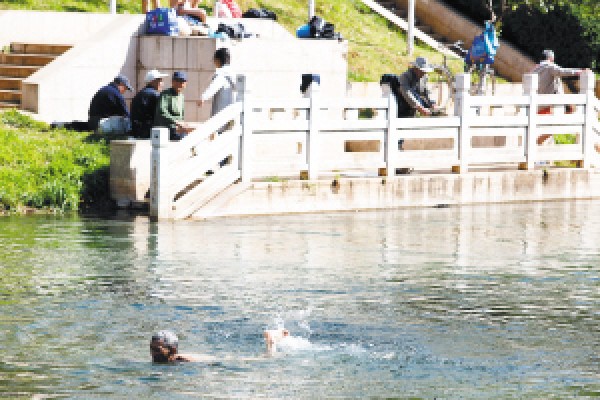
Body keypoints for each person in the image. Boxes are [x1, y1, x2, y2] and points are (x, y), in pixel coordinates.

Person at [532, 49, 587, 145]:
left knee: (552, 125)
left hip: (540, 102)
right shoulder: (549, 67)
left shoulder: (535, 69)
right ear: (550, 58)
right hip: (551, 102)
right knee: (554, 126)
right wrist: (579, 72)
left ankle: (539, 142)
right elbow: (563, 71)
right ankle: (538, 142)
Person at [154, 71, 195, 140]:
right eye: (178, 81)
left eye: (182, 82)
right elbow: (161, 111)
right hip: (167, 128)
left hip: (178, 128)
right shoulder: (166, 94)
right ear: (173, 82)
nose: (180, 84)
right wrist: (176, 122)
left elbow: (181, 115)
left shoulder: (181, 96)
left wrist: (182, 124)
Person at [198, 48, 236, 118]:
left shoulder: (221, 73)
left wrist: (203, 97)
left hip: (220, 111)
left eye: (214, 60)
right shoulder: (232, 73)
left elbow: (214, 86)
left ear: (218, 60)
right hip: (230, 110)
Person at [130, 69, 168, 139]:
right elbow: (161, 114)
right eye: (160, 80)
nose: (162, 84)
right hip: (147, 131)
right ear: (152, 81)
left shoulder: (142, 92)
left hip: (137, 130)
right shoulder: (154, 94)